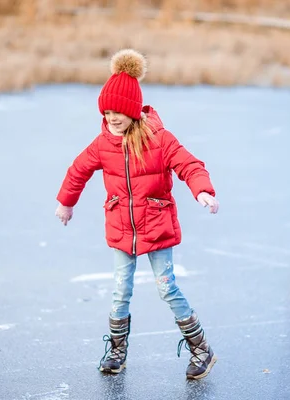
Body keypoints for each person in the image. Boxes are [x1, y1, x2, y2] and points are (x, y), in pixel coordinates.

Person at [54, 49, 219, 380]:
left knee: (166, 288)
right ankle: (117, 351)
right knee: (120, 291)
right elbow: (78, 170)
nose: (112, 117)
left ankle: (202, 349)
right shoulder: (102, 143)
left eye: (119, 112)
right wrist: (66, 202)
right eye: (107, 111)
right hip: (121, 229)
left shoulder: (160, 140)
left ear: (133, 111)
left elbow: (189, 164)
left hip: (156, 227)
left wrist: (202, 190)